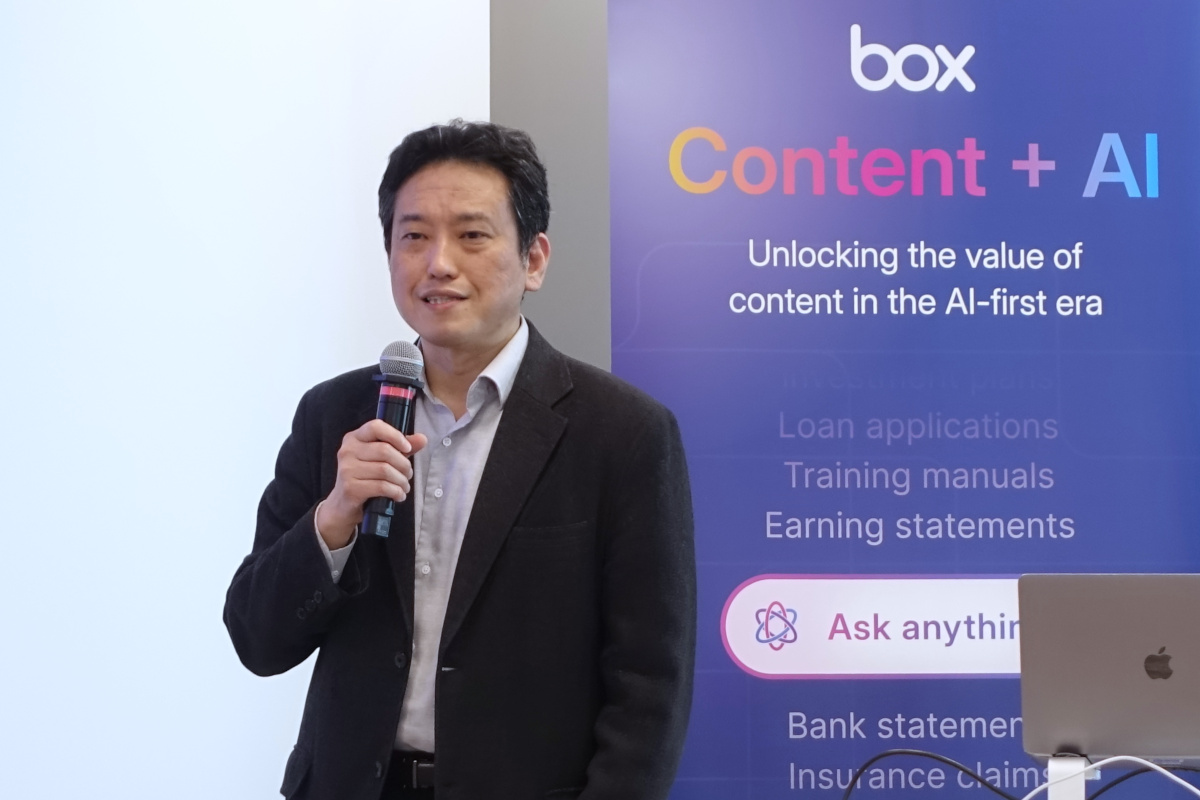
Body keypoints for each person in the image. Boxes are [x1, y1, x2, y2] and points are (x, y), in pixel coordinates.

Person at [224, 120, 696, 800]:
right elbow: (257, 639)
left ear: (533, 259)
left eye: (472, 235)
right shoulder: (334, 415)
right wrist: (333, 519)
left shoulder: (623, 433)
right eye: (414, 236)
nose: (438, 263)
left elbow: (650, 685)